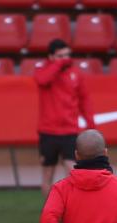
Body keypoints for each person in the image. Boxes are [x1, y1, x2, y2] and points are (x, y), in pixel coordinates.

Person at [34, 38, 95, 197]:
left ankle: (73, 211)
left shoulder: (76, 73)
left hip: (70, 131)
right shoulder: (43, 69)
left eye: (68, 55)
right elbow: (42, 80)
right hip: (48, 132)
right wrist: (58, 65)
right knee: (48, 174)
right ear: (51, 57)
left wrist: (91, 124)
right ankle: (49, 213)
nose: (66, 59)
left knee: (73, 172)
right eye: (61, 56)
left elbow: (84, 100)